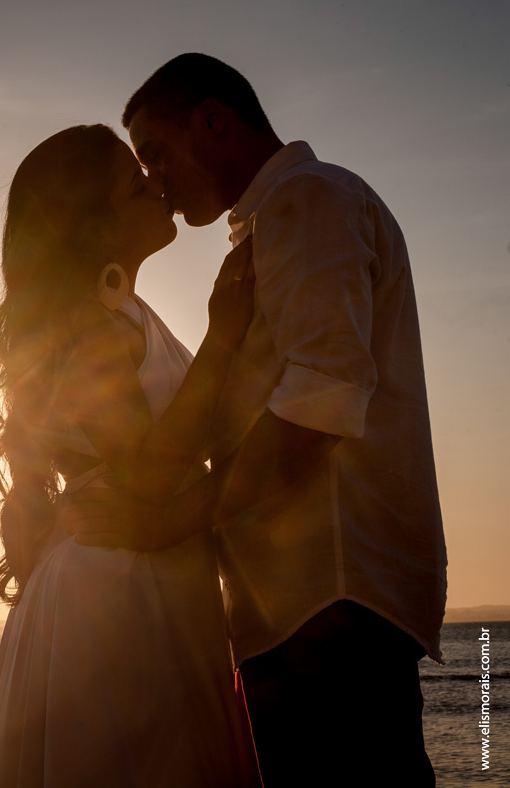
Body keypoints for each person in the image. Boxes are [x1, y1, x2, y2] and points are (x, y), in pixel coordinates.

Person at [65, 54, 447, 787]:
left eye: (156, 154)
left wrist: (188, 522)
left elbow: (322, 403)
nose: (157, 184)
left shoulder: (309, 201)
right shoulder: (267, 233)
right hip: (301, 610)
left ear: (213, 121)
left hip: (328, 604)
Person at [0, 123, 260, 787]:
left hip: (147, 577)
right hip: (118, 591)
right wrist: (223, 334)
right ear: (99, 231)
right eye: (136, 184)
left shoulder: (120, 313)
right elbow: (149, 474)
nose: (157, 185)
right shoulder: (89, 328)